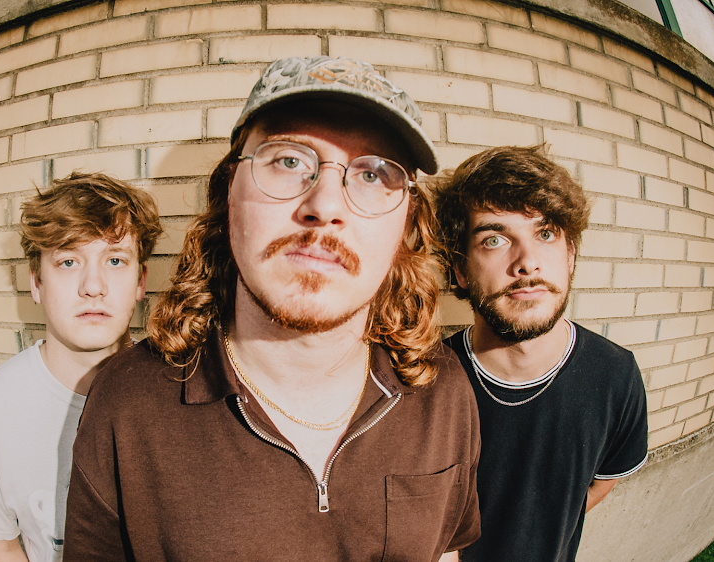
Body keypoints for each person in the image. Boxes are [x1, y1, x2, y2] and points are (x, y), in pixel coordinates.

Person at [63, 56, 481, 562]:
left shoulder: (444, 391)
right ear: (228, 195)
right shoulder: (126, 403)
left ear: (405, 226)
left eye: (373, 174)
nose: (325, 205)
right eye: (287, 160)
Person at [433, 145, 649, 562]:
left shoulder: (616, 376)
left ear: (570, 256)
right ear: (460, 268)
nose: (527, 262)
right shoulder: (426, 382)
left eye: (545, 233)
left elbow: (601, 482)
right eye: (495, 239)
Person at [0, 172, 163, 562]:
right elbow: (5, 544)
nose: (93, 285)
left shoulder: (180, 392)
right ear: (36, 282)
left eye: (115, 260)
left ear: (140, 281)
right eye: (68, 261)